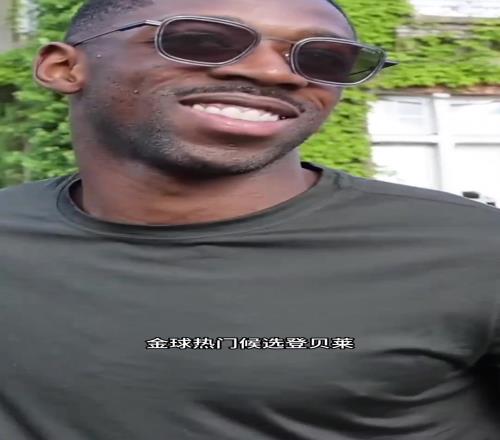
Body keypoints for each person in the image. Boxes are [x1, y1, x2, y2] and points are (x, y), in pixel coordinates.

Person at [1, 0, 499, 438]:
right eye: (202, 41)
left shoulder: (472, 250)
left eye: (325, 59)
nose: (274, 73)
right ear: (64, 67)